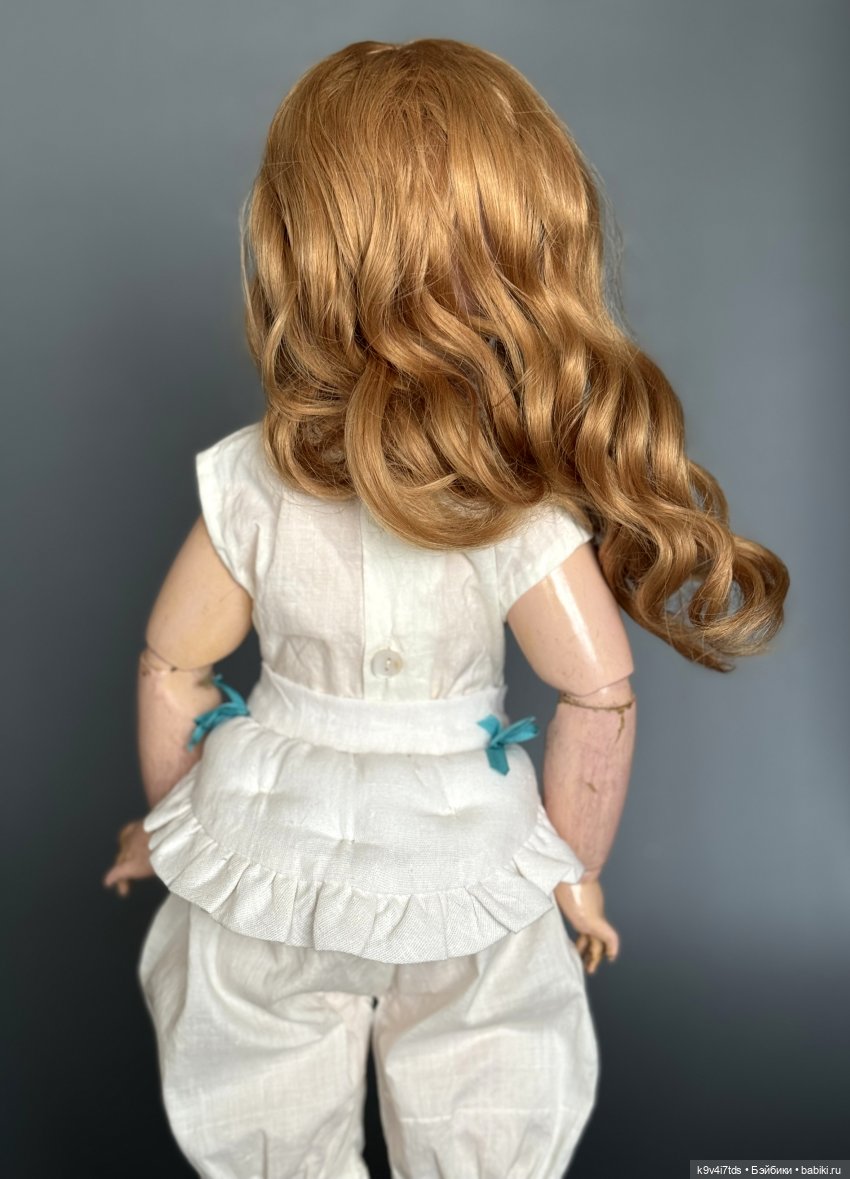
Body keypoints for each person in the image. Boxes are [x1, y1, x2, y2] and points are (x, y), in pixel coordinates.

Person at [102, 38, 789, 1179]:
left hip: (268, 846)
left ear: (293, 245)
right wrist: (573, 868)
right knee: (483, 1073)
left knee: (261, 1082)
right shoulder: (514, 505)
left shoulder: (255, 481)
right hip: (462, 852)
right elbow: (598, 694)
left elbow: (171, 666)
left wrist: (169, 820)